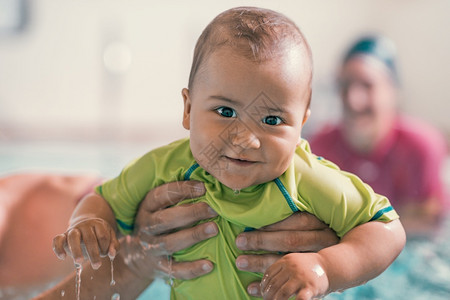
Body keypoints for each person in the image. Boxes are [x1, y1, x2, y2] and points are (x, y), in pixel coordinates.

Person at [51, 7, 405, 300]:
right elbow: (103, 201)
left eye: (271, 119)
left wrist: (326, 268)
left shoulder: (305, 180)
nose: (244, 140)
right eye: (225, 112)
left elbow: (386, 230)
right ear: (188, 110)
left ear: (302, 123)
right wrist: (87, 223)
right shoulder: (166, 167)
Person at [309, 35, 448, 235]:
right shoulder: (321, 146)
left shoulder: (422, 145)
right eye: (345, 85)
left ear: (393, 91)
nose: (353, 100)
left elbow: (430, 221)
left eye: (367, 85)